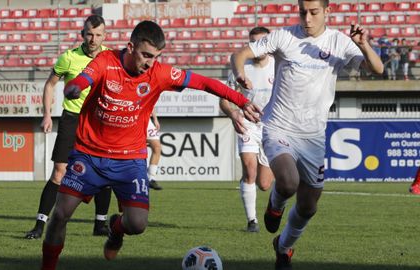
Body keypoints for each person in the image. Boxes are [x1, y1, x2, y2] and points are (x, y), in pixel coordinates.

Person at [40, 20, 261, 270]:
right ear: (130, 46)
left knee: (137, 224)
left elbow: (204, 83)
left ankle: (116, 228)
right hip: (89, 154)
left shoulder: (159, 73)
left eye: (156, 57)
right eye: (145, 55)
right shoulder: (106, 61)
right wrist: (74, 87)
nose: (150, 62)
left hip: (129, 160)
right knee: (59, 215)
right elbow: (84, 79)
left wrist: (241, 102)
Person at [231, 1, 383, 269]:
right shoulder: (285, 36)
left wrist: (363, 44)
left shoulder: (338, 41)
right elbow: (240, 54)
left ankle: (283, 247)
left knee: (309, 206)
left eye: (314, 12)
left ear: (327, 12)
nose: (307, 18)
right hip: (279, 126)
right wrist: (239, 72)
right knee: (288, 182)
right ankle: (275, 205)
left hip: (313, 137)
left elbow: (377, 69)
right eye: (303, 12)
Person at [25, 15, 113, 239]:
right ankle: (39, 225)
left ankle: (100, 224)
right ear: (82, 34)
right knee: (59, 172)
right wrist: (47, 114)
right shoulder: (69, 57)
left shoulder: (110, 57)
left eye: (98, 35)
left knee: (104, 171)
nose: (93, 39)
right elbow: (50, 84)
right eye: (89, 34)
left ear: (104, 36)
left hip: (99, 121)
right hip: (72, 118)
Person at [220, 26, 275, 233]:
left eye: (261, 42)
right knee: (249, 170)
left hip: (271, 125)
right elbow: (224, 100)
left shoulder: (278, 66)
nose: (256, 47)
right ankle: (252, 221)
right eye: (253, 43)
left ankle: (272, 206)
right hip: (247, 123)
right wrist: (233, 113)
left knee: (265, 184)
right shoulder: (240, 69)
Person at [147, 111, 163, 190]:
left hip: (146, 119)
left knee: (157, 147)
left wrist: (155, 119)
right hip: (133, 118)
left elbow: (151, 103)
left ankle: (151, 178)